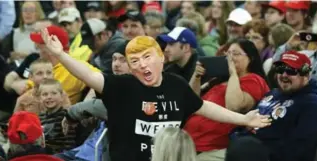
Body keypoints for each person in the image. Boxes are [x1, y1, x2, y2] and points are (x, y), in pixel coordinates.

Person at [39, 28, 270, 161]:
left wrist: (244, 119)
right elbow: (90, 76)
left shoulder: (175, 84)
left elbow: (204, 107)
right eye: (135, 61)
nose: (142, 66)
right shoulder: (123, 86)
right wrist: (61, 55)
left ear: (161, 57)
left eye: (147, 57)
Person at [185, 38, 270, 161]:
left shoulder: (254, 79)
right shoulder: (219, 79)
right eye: (228, 53)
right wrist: (197, 76)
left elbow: (234, 106)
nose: (230, 58)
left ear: (250, 58)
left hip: (215, 147)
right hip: (191, 142)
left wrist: (233, 73)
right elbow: (190, 101)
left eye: (235, 54)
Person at [255, 50, 317, 161]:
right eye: (280, 69)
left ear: (306, 75)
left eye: (291, 71)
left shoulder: (312, 106)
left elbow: (297, 152)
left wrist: (253, 148)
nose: (284, 75)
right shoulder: (272, 93)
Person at [38, 79, 76, 154]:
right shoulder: (39, 118)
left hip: (61, 155)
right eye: (45, 94)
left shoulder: (66, 116)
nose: (49, 97)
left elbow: (69, 142)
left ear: (62, 96)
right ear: (40, 98)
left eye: (54, 93)